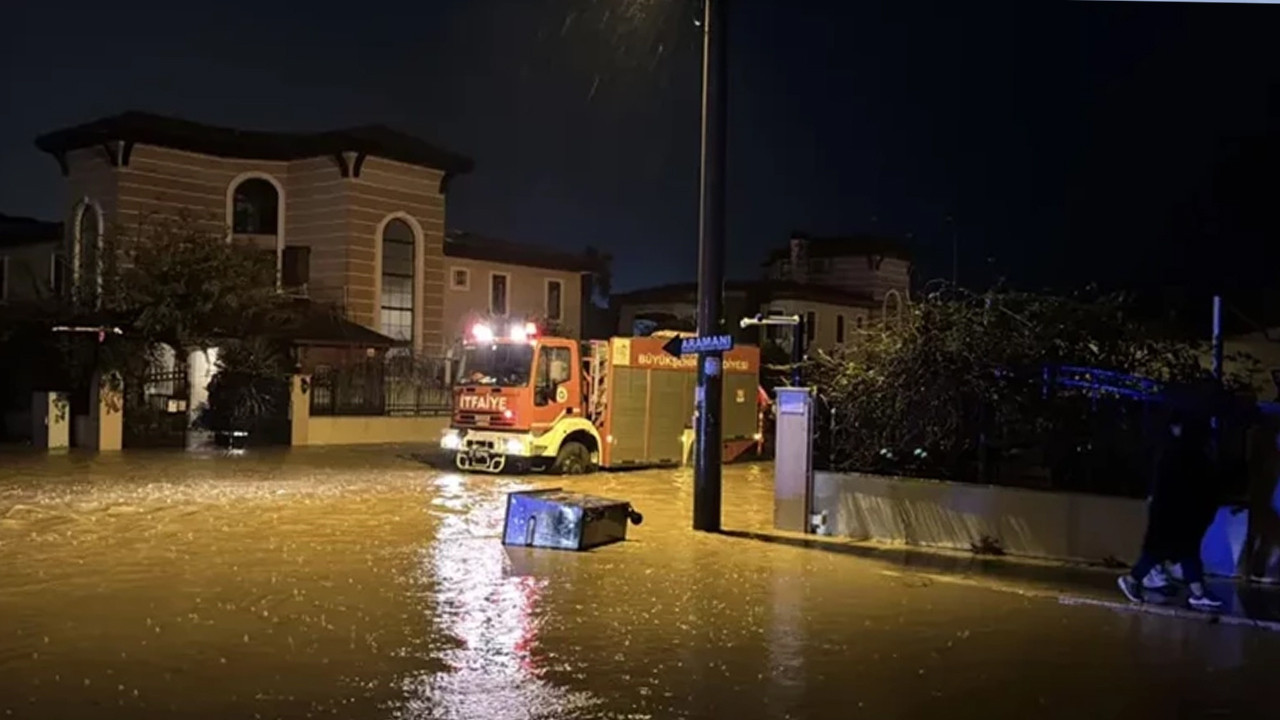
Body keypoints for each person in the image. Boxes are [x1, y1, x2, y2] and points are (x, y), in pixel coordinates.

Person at [1118, 408, 1224, 610]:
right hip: (1176, 514)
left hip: (1172, 513)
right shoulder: (1183, 452)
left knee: (1179, 551)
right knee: (1174, 550)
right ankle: (1134, 579)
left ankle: (1197, 593)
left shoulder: (1176, 450)